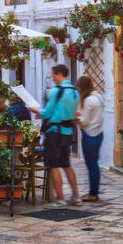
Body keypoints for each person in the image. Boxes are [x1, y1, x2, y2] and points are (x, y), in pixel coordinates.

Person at [30, 65, 80, 208]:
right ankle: (76, 197)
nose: (52, 78)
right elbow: (72, 113)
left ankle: (61, 199)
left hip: (55, 132)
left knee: (53, 165)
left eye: (53, 75)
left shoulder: (57, 91)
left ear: (59, 74)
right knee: (67, 165)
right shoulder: (75, 91)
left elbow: (47, 112)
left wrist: (36, 111)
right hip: (68, 132)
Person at [75, 76, 104, 202]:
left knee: (91, 165)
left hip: (89, 135)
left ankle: (93, 194)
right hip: (98, 133)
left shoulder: (88, 100)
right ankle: (94, 192)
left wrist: (76, 119)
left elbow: (85, 121)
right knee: (94, 164)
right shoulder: (98, 97)